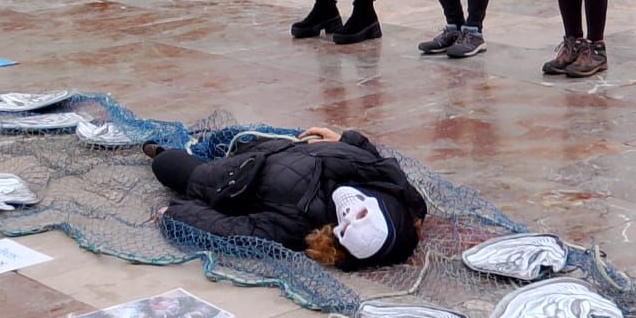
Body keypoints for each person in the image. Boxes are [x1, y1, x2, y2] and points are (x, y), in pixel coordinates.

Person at [146, 126, 426, 269]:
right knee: (230, 137)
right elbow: (368, 153)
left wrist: (174, 215)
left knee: (168, 165)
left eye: (346, 227)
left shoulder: (296, 225)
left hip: (234, 179)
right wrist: (342, 138)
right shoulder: (382, 178)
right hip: (281, 146)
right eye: (362, 214)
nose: (349, 213)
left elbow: (233, 232)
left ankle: (163, 152)